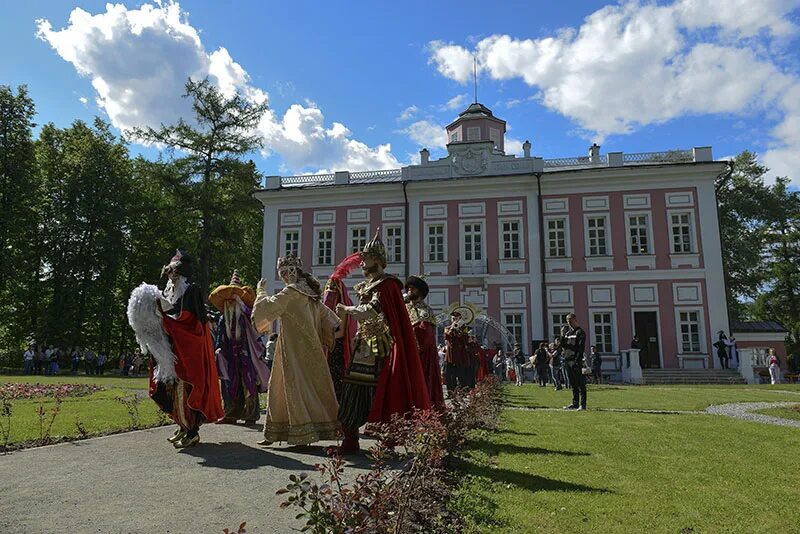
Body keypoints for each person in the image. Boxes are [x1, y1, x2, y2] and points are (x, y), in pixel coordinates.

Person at [330, 230, 431, 455]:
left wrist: (347, 309)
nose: (362, 262)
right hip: (364, 344)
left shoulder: (387, 284)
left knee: (383, 391)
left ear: (377, 259)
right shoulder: (369, 284)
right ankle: (351, 438)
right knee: (353, 388)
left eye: (365, 258)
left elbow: (374, 311)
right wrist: (357, 335)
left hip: (382, 347)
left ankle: (388, 441)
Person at [127, 249, 224, 449]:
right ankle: (182, 425)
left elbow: (191, 321)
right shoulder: (169, 290)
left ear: (182, 273)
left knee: (185, 388)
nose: (172, 276)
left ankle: (192, 431)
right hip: (171, 346)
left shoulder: (191, 290)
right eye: (169, 272)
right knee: (170, 388)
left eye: (175, 272)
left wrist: (167, 319)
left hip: (188, 349)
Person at [252, 253, 341, 446]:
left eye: (286, 272)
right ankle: (285, 433)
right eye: (281, 273)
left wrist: (260, 292)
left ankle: (300, 434)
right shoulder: (311, 294)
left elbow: (269, 307)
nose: (284, 276)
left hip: (292, 349)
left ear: (294, 272)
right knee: (299, 387)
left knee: (291, 386)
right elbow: (331, 318)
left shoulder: (292, 292)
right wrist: (334, 328)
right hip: (311, 349)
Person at [211, 270, 271, 426]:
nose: (231, 302)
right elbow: (220, 336)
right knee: (230, 384)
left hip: (246, 355)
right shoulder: (224, 317)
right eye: (229, 299)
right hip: (230, 356)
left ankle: (251, 415)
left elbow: (255, 318)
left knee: (249, 384)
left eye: (234, 299)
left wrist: (242, 303)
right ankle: (231, 414)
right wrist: (218, 349)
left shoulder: (245, 314)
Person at [405, 275, 445, 410]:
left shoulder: (425, 311)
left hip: (421, 355)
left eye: (413, 289)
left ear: (420, 292)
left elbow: (424, 334)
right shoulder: (404, 307)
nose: (409, 291)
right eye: (408, 288)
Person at [323, 260, 359, 404]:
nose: (330, 291)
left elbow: (342, 332)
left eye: (333, 288)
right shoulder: (326, 307)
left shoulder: (341, 307)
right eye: (328, 288)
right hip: (327, 347)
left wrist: (326, 338)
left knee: (336, 380)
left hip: (336, 349)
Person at [560, 314, 587, 410]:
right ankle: (575, 403)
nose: (569, 322)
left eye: (570, 320)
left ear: (575, 320)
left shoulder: (580, 332)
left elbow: (580, 348)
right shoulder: (568, 333)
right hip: (567, 360)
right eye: (567, 320)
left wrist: (577, 360)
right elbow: (563, 346)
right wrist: (562, 335)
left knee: (580, 383)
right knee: (573, 383)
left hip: (575, 361)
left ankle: (583, 404)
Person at [444, 311, 472, 392]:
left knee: (461, 373)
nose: (454, 320)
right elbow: (447, 338)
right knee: (449, 374)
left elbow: (465, 340)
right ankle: (450, 391)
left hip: (460, 354)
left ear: (459, 318)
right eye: (453, 318)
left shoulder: (464, 328)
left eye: (456, 318)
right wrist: (452, 329)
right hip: (450, 355)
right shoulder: (447, 328)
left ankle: (462, 390)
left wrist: (459, 330)